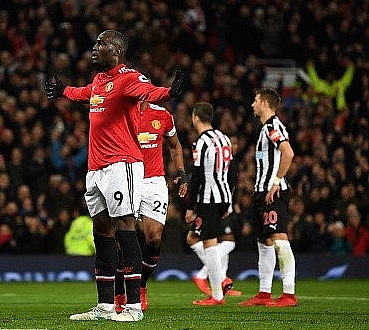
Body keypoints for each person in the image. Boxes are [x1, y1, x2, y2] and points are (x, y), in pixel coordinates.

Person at [44, 29, 187, 321]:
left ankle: (133, 306)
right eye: (95, 43)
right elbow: (85, 93)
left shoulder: (129, 78)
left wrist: (170, 93)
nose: (94, 48)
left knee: (125, 229)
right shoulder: (100, 81)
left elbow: (150, 91)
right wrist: (64, 91)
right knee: (102, 233)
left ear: (116, 51)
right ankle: (105, 305)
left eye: (101, 44)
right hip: (95, 170)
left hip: (122, 165)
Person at [114, 101, 188, 312]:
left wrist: (182, 174)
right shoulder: (120, 113)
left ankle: (142, 286)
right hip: (127, 179)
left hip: (154, 181)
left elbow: (175, 145)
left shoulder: (162, 115)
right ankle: (120, 293)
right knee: (122, 241)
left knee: (154, 237)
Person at [239, 87, 297, 307]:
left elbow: (288, 152)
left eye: (255, 100)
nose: (253, 104)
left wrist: (275, 183)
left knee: (280, 240)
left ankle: (289, 294)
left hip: (274, 191)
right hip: (262, 192)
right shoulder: (264, 129)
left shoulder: (273, 125)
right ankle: (264, 293)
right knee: (264, 241)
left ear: (264, 103)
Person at [185, 102, 237, 305]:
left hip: (208, 198)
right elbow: (233, 172)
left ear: (196, 117)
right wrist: (230, 199)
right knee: (212, 241)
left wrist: (191, 207)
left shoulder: (200, 143)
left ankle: (216, 295)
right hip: (224, 196)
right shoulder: (224, 138)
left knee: (209, 243)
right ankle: (217, 289)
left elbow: (197, 176)